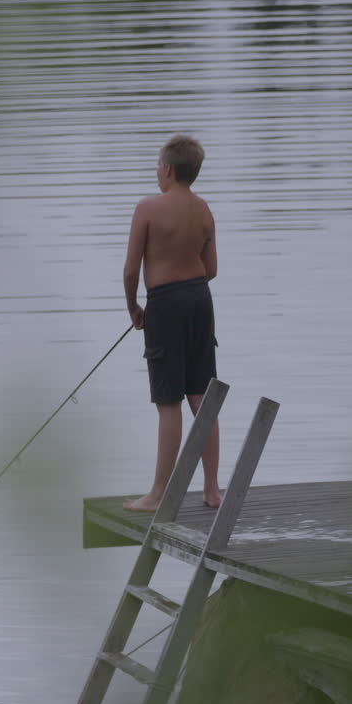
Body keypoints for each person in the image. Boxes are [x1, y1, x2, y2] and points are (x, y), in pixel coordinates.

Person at [121, 134, 220, 512]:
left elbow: (131, 270)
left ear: (166, 169)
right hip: (200, 300)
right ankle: (212, 490)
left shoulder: (147, 208)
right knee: (202, 398)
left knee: (168, 402)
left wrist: (135, 307)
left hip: (164, 304)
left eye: (157, 166)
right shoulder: (204, 209)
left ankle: (158, 494)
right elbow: (211, 269)